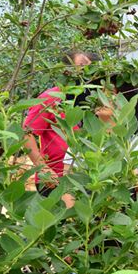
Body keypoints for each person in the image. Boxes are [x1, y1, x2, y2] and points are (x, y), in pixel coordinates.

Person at [23, 50, 96, 195]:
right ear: (67, 70)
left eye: (92, 67)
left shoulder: (95, 100)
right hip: (55, 180)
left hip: (89, 180)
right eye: (82, 65)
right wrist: (43, 169)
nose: (86, 71)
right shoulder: (51, 98)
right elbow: (26, 133)